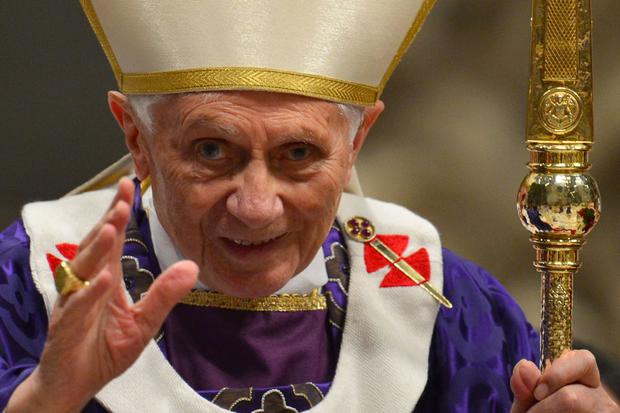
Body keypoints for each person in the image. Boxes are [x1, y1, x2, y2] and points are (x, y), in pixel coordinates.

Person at [1, 1, 618, 412]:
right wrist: (45, 401)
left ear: (356, 144)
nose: (255, 206)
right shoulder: (26, 289)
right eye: (212, 150)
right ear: (136, 139)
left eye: (298, 153)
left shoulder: (451, 311)